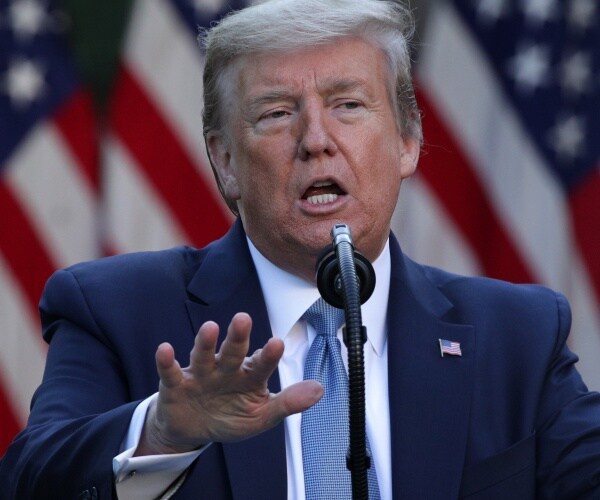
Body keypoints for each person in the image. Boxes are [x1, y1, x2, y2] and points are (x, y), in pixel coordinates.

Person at [1, 0, 600, 498]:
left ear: (408, 143)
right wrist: (161, 433)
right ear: (225, 161)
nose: (316, 141)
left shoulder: (516, 333)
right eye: (277, 113)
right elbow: (30, 481)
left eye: (348, 105)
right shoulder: (115, 308)